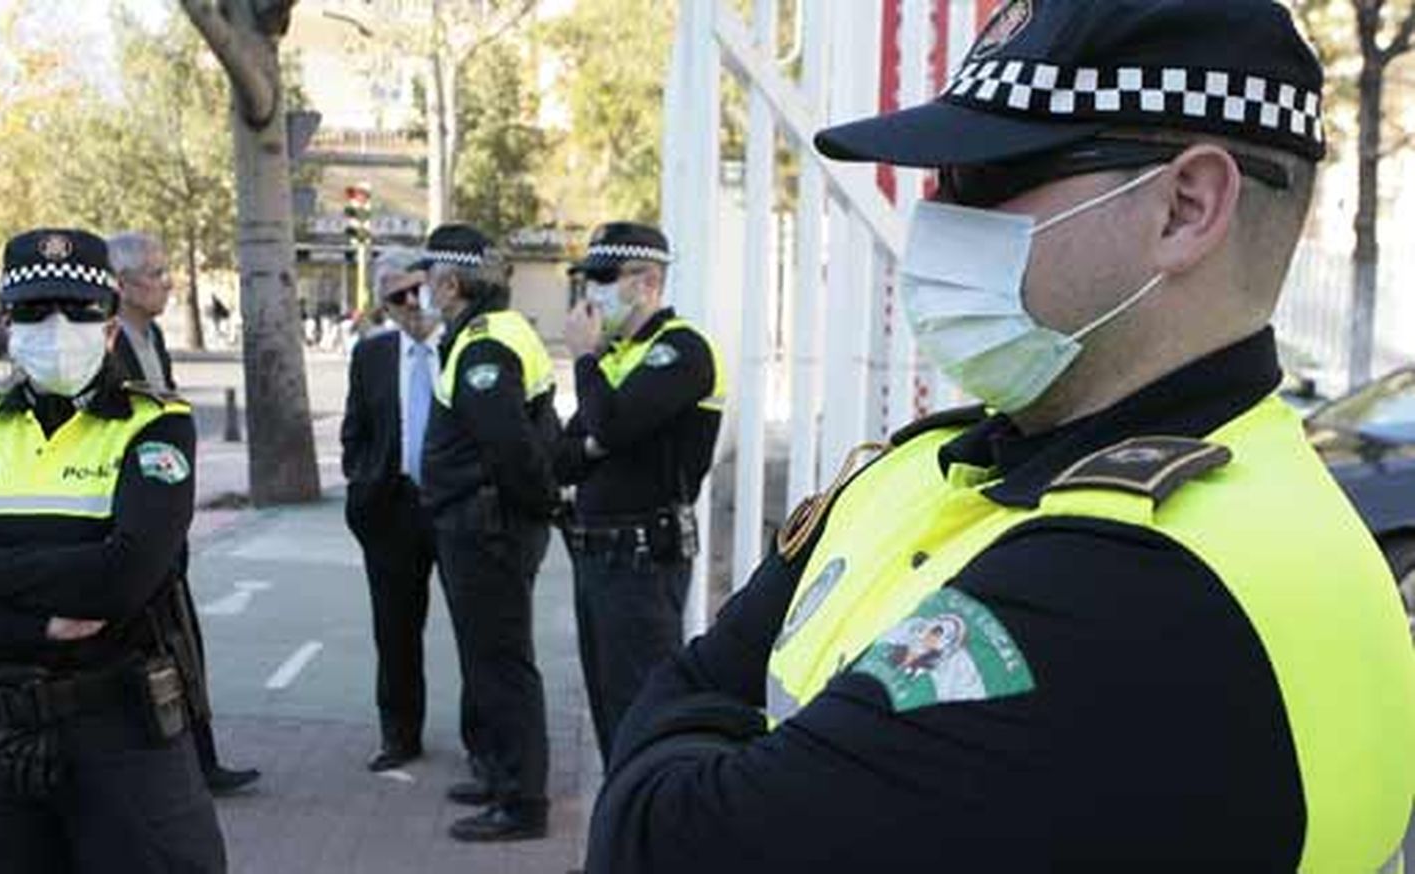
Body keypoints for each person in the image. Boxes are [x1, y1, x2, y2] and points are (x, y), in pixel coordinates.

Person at [586, 1, 1415, 870]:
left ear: (1185, 208)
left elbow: (662, 842)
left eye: (985, 174)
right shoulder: (932, 463)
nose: (933, 210)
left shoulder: (1147, 581)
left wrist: (691, 743)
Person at [0, 228, 226, 872]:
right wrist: (38, 621)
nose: (58, 326)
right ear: (8, 325)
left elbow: (121, 581)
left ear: (109, 330)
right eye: (38, 311)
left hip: (122, 737)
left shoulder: (156, 426)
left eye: (79, 310)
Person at [555, 222, 725, 765]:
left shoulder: (682, 350)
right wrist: (596, 442)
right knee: (609, 710)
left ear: (648, 281)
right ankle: (620, 833)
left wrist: (584, 360)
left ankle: (650, 839)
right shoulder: (618, 357)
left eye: (605, 278)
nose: (592, 293)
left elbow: (611, 425)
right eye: (588, 279)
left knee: (643, 714)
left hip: (643, 560)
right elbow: (562, 454)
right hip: (598, 556)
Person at [416, 224, 559, 842]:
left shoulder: (483, 346)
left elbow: (509, 446)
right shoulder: (490, 332)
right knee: (488, 660)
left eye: (428, 279)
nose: (423, 290)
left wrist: (533, 507)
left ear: (450, 283)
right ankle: (502, 774)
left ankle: (522, 801)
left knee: (501, 664)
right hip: (486, 523)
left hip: (488, 527)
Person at [107, 231, 261, 797]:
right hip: (132, 528)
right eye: (156, 273)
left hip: (168, 523)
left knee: (183, 643)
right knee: (152, 649)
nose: (168, 281)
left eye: (167, 270)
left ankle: (202, 761)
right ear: (121, 285)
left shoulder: (153, 339)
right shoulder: (106, 346)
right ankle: (174, 765)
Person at [340, 250, 442, 773]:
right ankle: (399, 734)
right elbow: (354, 430)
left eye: (416, 291)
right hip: (391, 506)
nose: (410, 304)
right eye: (396, 297)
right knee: (395, 629)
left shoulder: (463, 347)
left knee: (479, 630)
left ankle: (488, 742)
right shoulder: (372, 355)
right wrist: (360, 481)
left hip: (454, 507)